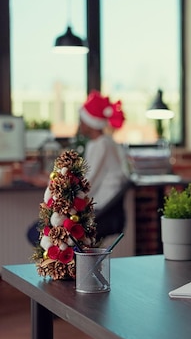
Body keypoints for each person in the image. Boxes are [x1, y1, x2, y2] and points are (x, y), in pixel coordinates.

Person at [27, 91, 130, 245]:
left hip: (103, 213)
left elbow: (87, 182)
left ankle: (66, 268)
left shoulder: (102, 145)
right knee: (38, 231)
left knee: (37, 232)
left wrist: (51, 184)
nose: (79, 124)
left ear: (91, 123)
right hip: (103, 211)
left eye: (82, 120)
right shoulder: (102, 143)